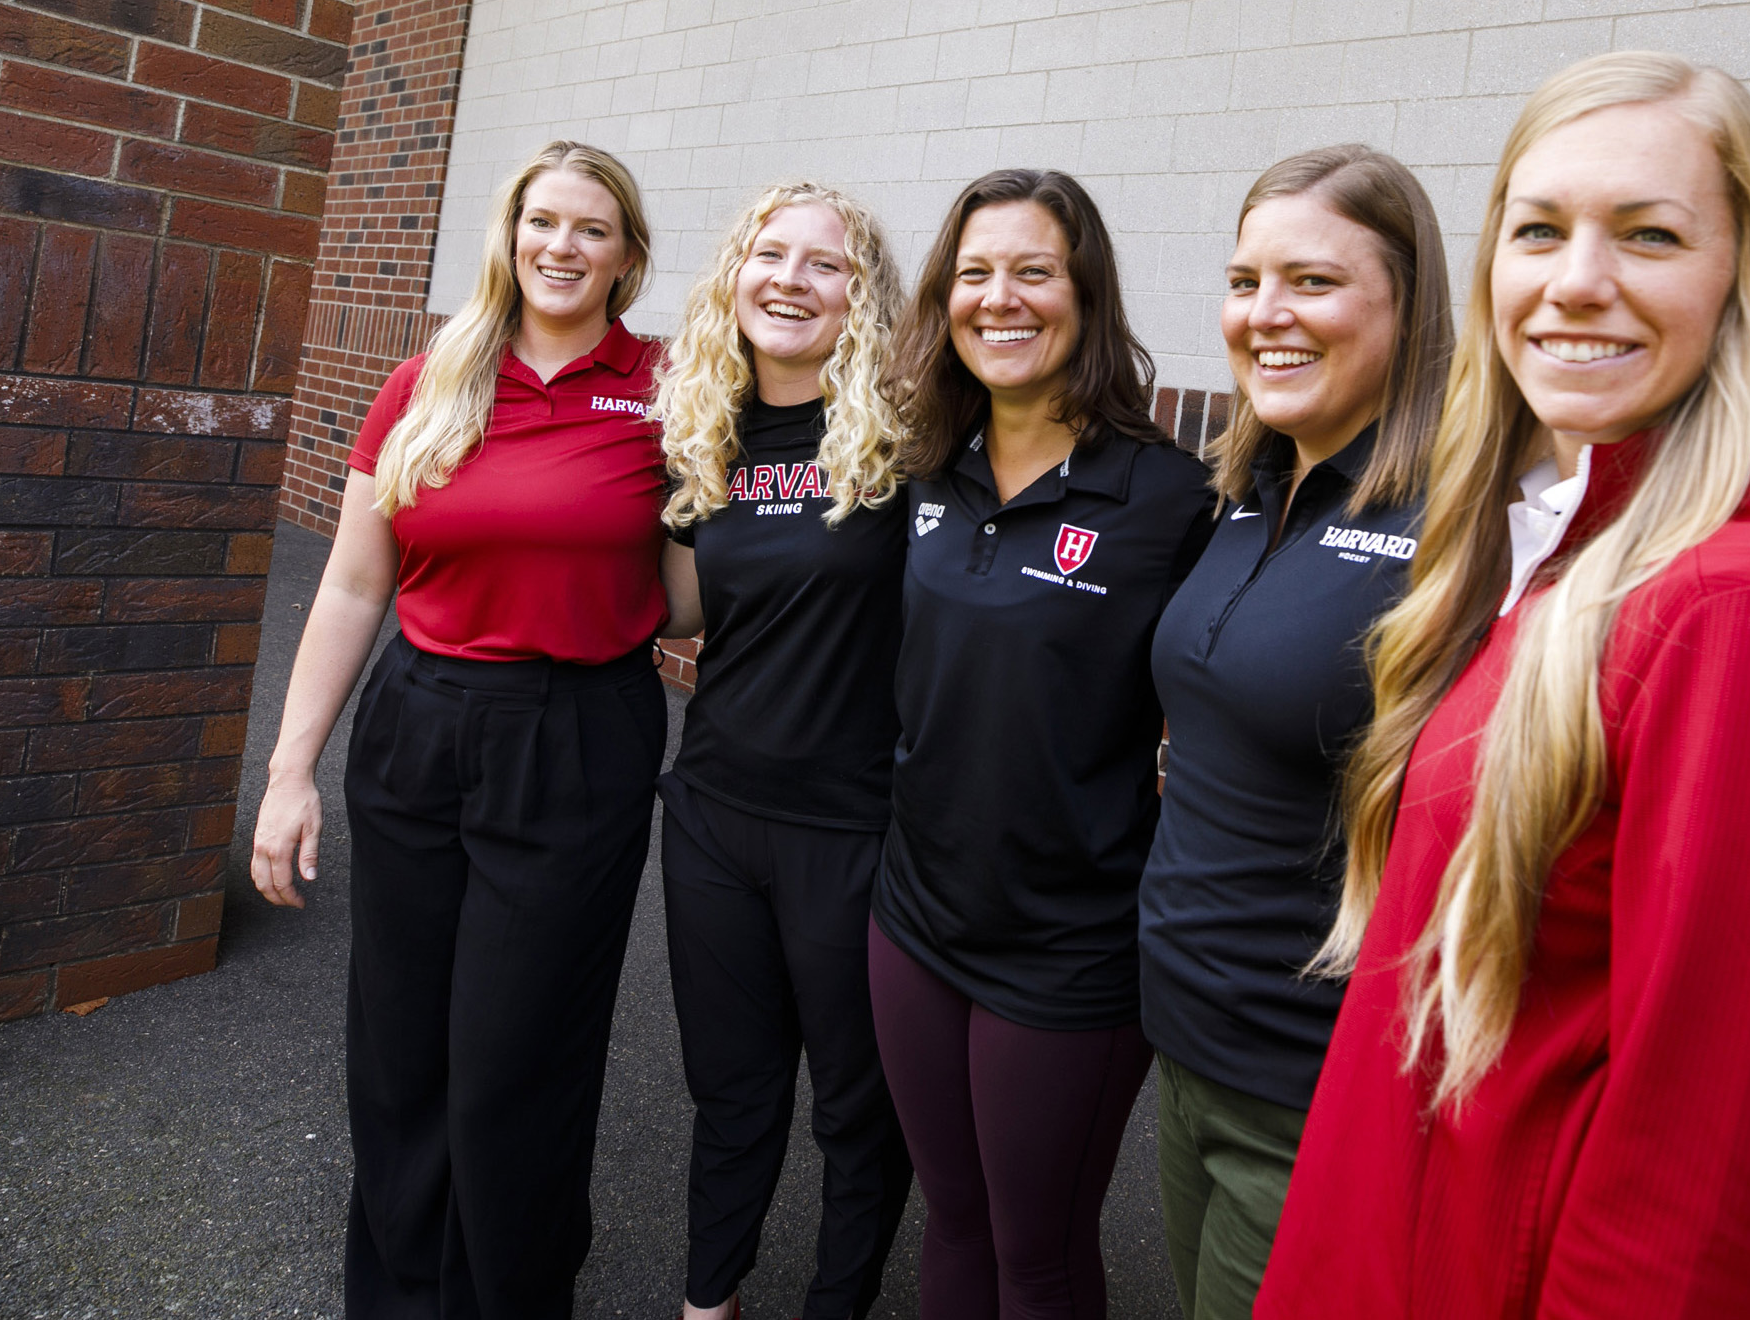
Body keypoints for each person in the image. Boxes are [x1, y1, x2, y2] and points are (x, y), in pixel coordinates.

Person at [1254, 53, 1750, 1318]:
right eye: (1539, 230)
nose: (1576, 282)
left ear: (1742, 278)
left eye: (1650, 234)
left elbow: (1705, 1187)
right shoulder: (1554, 547)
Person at [247, 140, 668, 1320]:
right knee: (400, 1038)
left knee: (517, 1051)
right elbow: (348, 586)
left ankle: (510, 1295)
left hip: (579, 732)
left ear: (627, 254)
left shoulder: (670, 389)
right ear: (509, 231)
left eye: (592, 228)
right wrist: (290, 771)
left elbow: (692, 590)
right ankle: (395, 1295)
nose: (561, 246)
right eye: (543, 221)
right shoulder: (429, 378)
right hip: (421, 720)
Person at [868, 168, 1216, 1319]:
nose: (998, 298)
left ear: (1085, 292)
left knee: (1039, 1252)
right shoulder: (926, 463)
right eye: (973, 273)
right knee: (952, 1219)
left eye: (1032, 270)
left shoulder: (1166, 495)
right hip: (914, 916)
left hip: (1068, 948)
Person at [1139, 145, 1451, 1320]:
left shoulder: (1456, 525)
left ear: (1407, 307)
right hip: (1185, 1043)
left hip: (1312, 1082)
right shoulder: (1249, 489)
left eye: (1312, 282)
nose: (1265, 314)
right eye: (1243, 279)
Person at [650, 183, 914, 1320]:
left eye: (827, 264)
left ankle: (835, 1302)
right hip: (711, 810)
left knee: (859, 1106)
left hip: (852, 828)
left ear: (863, 295)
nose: (791, 279)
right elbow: (677, 612)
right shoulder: (703, 430)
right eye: (772, 253)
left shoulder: (911, 443)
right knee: (732, 1086)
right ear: (735, 272)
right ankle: (710, 1299)